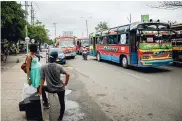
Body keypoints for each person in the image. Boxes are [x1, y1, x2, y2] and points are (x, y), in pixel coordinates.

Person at [39, 51, 70, 121]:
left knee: (42, 87)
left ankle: (46, 103)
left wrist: (40, 89)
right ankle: (60, 118)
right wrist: (65, 83)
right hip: (60, 89)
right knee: (62, 103)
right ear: (56, 58)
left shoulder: (43, 67)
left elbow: (42, 79)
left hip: (50, 89)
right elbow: (67, 74)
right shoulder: (59, 66)